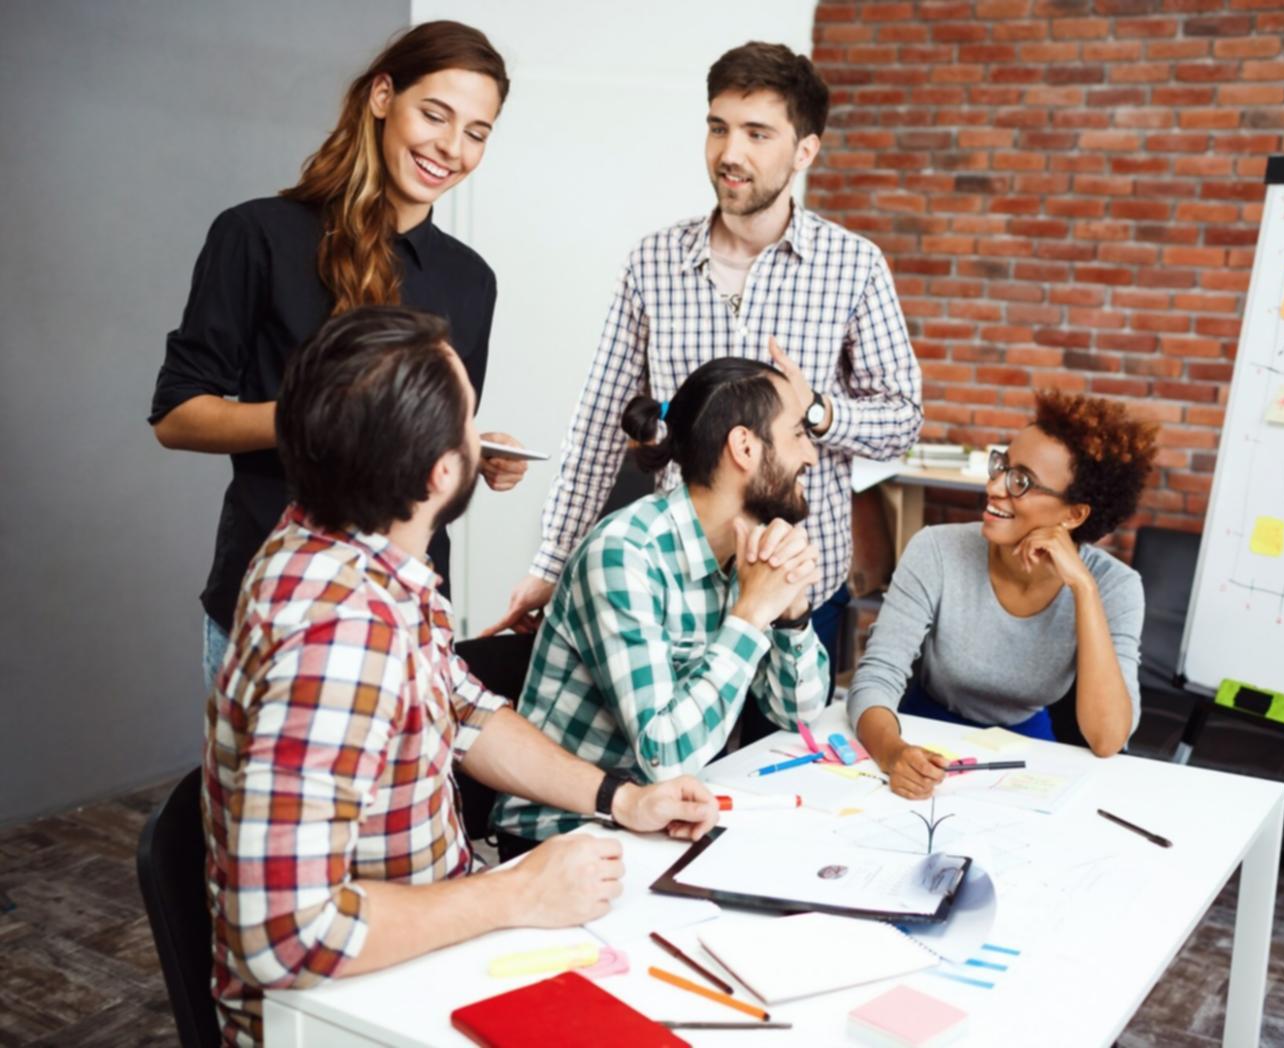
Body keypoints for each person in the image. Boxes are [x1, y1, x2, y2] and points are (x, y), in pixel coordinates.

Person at [204, 305, 717, 1046]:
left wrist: (622, 798)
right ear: (441, 473)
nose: (482, 438)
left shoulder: (347, 548)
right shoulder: (343, 632)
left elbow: (463, 711)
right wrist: (514, 893)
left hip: (420, 959)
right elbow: (285, 933)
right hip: (345, 1017)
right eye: (470, 422)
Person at [484, 41, 921, 685]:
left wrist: (819, 413)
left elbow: (903, 420)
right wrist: (551, 564)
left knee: (786, 746)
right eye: (718, 128)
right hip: (673, 583)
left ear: (805, 150)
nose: (730, 153)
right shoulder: (652, 261)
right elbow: (600, 424)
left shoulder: (855, 267)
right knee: (672, 744)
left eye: (757, 133)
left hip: (797, 584)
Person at [149, 21, 527, 690]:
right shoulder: (255, 235)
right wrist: (330, 415)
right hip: (272, 599)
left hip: (408, 606)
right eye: (434, 114)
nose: (452, 148)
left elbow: (424, 439)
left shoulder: (472, 281)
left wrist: (472, 448)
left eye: (477, 132)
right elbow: (177, 416)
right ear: (382, 97)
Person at [491, 358, 831, 851]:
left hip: (663, 822)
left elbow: (797, 713)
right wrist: (751, 615)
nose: (812, 456)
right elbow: (665, 757)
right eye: (798, 434)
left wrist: (791, 608)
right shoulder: (625, 556)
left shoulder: (748, 552)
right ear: (745, 447)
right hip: (566, 834)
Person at [848, 390, 1160, 799]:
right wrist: (893, 753)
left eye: (1021, 482)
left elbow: (1108, 738)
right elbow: (875, 678)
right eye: (1002, 467)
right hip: (923, 732)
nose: (994, 487)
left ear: (1075, 514)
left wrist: (1084, 590)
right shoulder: (936, 550)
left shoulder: (1116, 586)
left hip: (1025, 751)